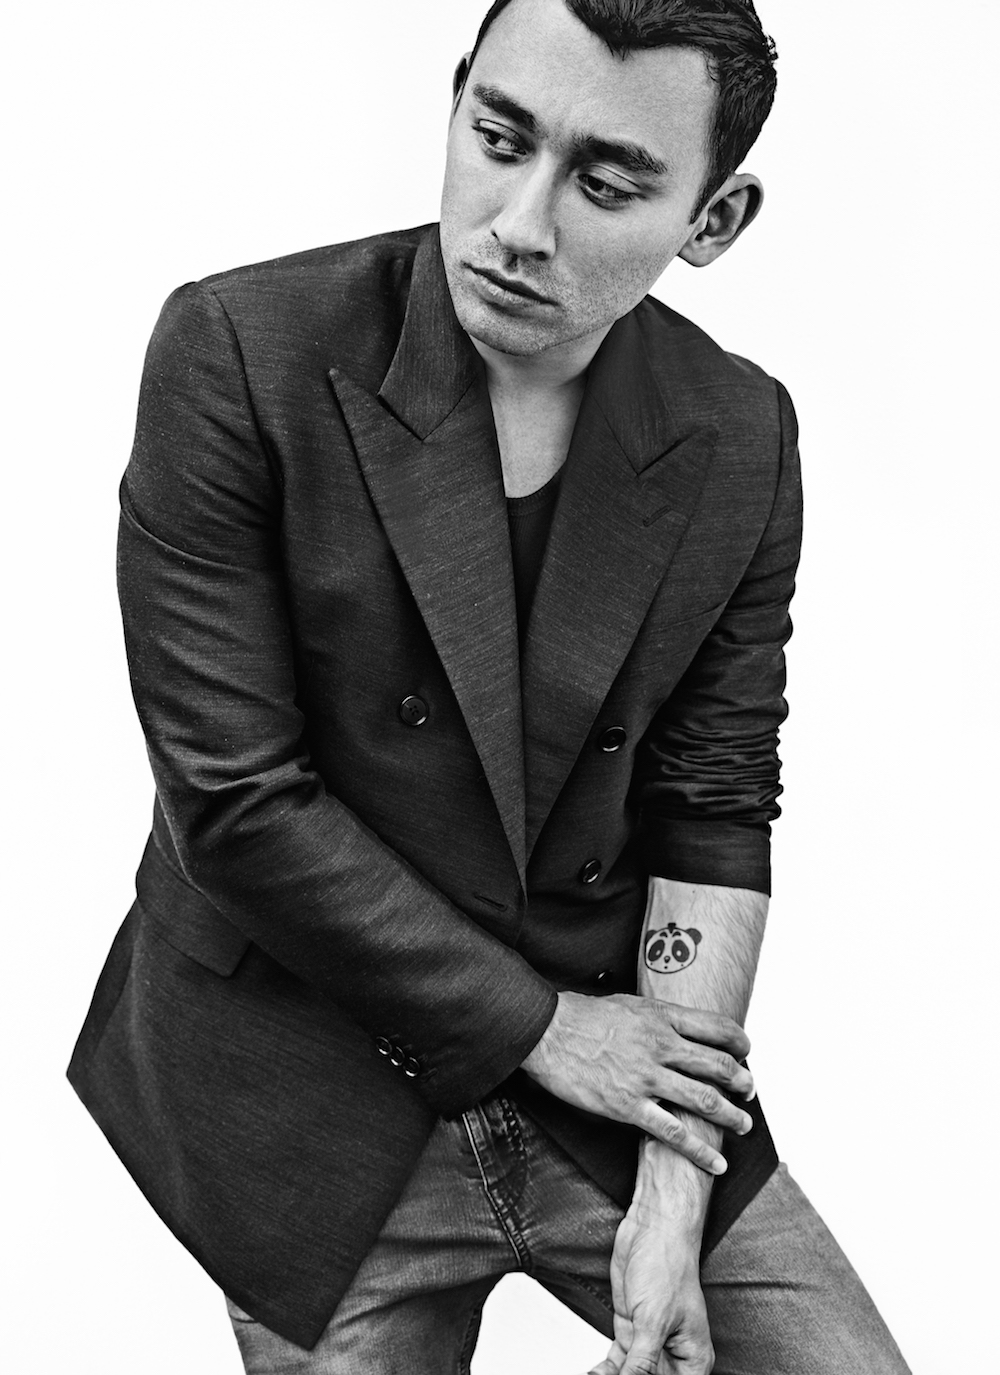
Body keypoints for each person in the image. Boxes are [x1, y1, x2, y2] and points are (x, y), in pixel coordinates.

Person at [68, 1, 911, 1371]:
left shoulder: (739, 430)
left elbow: (710, 803)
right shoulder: (239, 348)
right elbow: (234, 803)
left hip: (612, 1087)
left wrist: (674, 1183)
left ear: (715, 219)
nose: (519, 223)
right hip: (313, 1082)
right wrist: (550, 1031)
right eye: (500, 138)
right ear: (457, 100)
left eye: (606, 182)